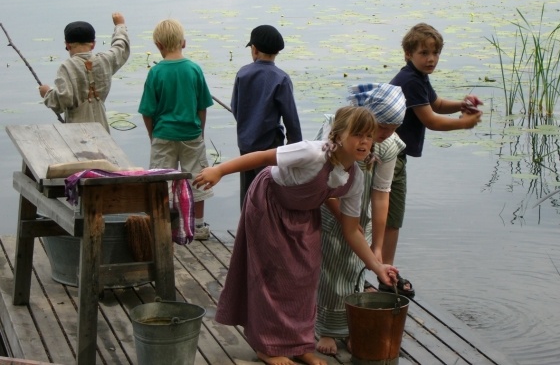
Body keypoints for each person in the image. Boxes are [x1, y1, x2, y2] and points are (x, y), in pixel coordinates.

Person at [193, 106, 398, 365]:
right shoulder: (312, 152)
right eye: (357, 134)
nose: (365, 141)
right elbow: (263, 157)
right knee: (273, 274)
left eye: (369, 136)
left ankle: (300, 345)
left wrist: (378, 267)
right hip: (269, 202)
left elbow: (351, 231)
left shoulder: (355, 178)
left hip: (304, 213)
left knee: (306, 276)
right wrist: (220, 170)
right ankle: (267, 347)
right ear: (337, 135)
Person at [384, 22, 483, 295]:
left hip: (392, 156)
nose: (431, 59)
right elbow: (431, 120)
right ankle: (386, 275)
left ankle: (383, 270)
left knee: (388, 219)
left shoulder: (415, 78)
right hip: (391, 159)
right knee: (391, 220)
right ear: (408, 53)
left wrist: (460, 105)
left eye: (435, 53)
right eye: (424, 53)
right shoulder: (411, 81)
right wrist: (463, 124)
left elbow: (436, 104)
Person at [315, 83, 407, 356]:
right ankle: (327, 329)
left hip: (360, 208)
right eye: (382, 128)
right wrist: (343, 218)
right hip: (331, 202)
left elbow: (381, 194)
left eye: (391, 130)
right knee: (332, 265)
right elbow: (321, 181)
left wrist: (377, 247)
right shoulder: (336, 128)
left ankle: (350, 327)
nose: (383, 135)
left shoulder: (388, 145)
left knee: (357, 266)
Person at [138, 18, 214, 240]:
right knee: (197, 178)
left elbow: (147, 111)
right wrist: (201, 132)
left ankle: (162, 224)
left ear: (158, 45)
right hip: (192, 134)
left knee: (162, 180)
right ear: (184, 43)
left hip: (163, 134)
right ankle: (198, 226)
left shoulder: (156, 73)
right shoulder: (194, 69)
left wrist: (153, 135)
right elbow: (202, 107)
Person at [231, 25, 302, 208]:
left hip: (245, 144)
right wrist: (295, 145)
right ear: (277, 52)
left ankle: (246, 230)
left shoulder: (242, 74)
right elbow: (290, 118)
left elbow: (235, 108)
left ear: (254, 50)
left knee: (247, 193)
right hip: (270, 146)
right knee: (269, 192)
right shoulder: (281, 78)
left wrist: (247, 124)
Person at [39, 12, 130, 132]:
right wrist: (120, 25)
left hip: (77, 131)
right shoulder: (105, 60)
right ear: (93, 44)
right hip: (101, 127)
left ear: (67, 45)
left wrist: (47, 93)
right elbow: (121, 47)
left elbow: (62, 101)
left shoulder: (67, 67)